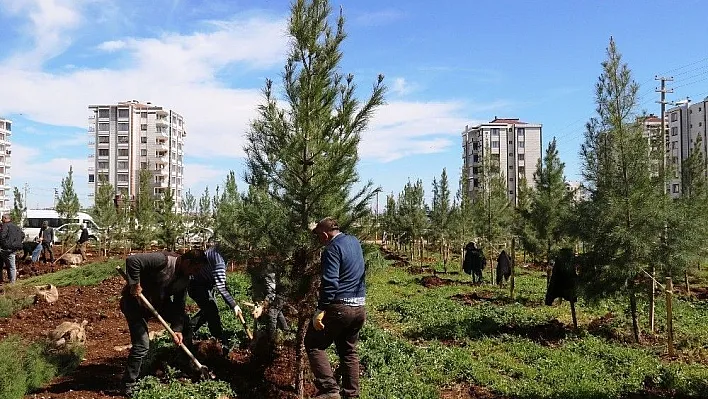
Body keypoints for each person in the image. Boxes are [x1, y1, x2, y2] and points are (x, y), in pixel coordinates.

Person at [119, 249, 208, 396]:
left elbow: (179, 305)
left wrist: (177, 329)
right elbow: (132, 261)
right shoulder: (163, 260)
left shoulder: (185, 279)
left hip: (158, 302)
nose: (195, 273)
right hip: (134, 303)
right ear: (187, 262)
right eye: (195, 269)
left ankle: (185, 363)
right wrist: (134, 284)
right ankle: (129, 383)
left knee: (185, 322)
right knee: (142, 345)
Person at [305, 217, 366, 399]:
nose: (318, 240)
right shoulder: (354, 241)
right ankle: (351, 395)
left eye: (318, 236)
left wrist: (321, 309)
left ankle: (330, 390)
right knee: (348, 351)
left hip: (340, 307)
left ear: (324, 235)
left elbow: (330, 282)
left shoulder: (331, 249)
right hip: (360, 307)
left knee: (313, 344)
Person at [188, 245, 242, 352]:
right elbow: (221, 287)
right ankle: (219, 342)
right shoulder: (219, 260)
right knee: (211, 310)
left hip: (205, 284)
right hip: (196, 284)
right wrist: (234, 305)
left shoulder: (218, 249)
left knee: (208, 311)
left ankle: (187, 330)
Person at [250, 260, 290, 344]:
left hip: (278, 294)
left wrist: (263, 305)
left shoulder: (268, 271)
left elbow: (271, 292)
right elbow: (256, 288)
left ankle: (271, 342)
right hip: (271, 295)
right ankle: (286, 332)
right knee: (278, 313)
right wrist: (257, 301)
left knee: (272, 314)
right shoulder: (255, 273)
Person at [0, 214, 19, 283]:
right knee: (12, 267)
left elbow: (2, 237)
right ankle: (12, 282)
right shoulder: (16, 226)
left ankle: (1, 280)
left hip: (5, 249)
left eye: (2, 219)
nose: (1, 220)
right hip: (13, 249)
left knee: (1, 265)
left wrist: (4, 244)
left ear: (5, 218)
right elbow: (22, 235)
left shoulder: (5, 226)